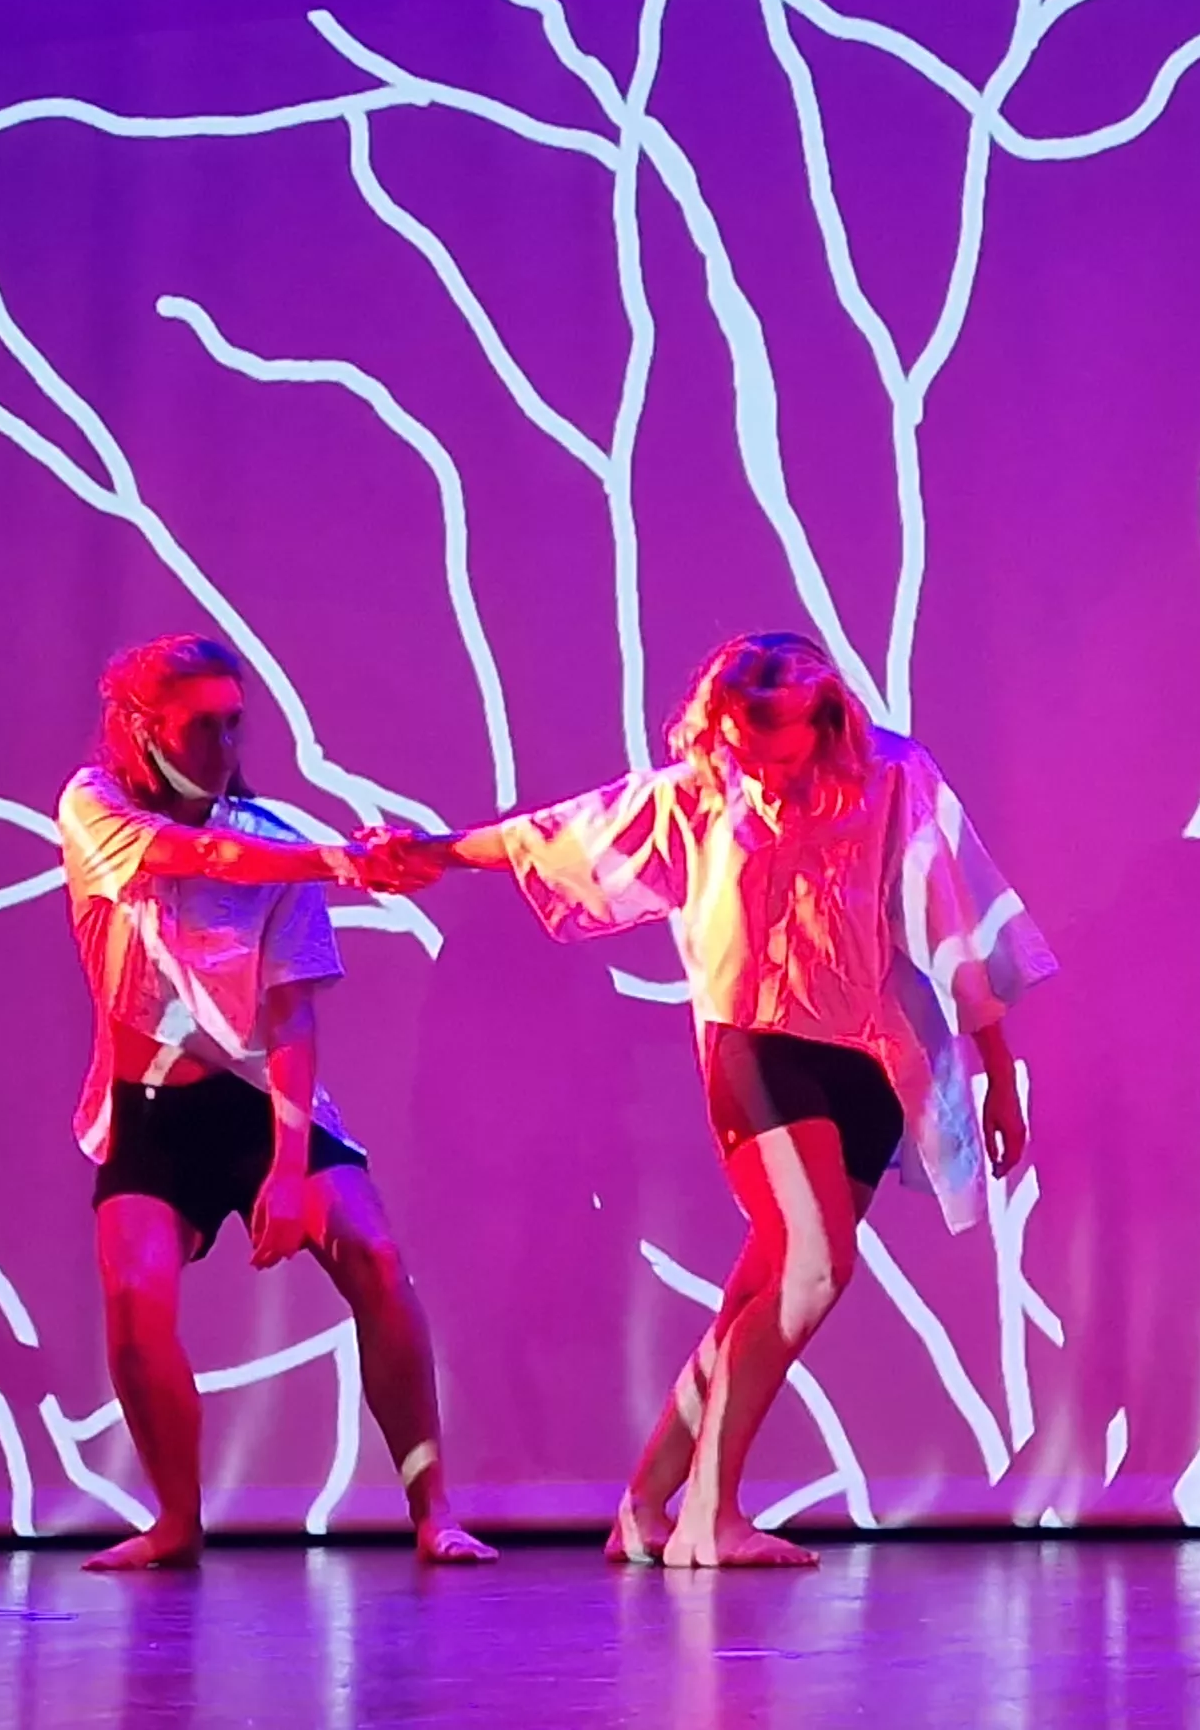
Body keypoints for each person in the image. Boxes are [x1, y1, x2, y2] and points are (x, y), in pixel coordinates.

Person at [381, 631, 1049, 1569]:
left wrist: (999, 1073)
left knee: (759, 1293)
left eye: (780, 754)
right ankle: (711, 1513)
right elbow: (563, 834)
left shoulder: (895, 778)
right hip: (757, 1045)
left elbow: (957, 920)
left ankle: (645, 1505)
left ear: (824, 721)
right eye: (745, 751)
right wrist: (433, 852)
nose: (764, 777)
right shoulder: (702, 791)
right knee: (813, 1272)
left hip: (866, 1058)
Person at [56, 634, 491, 1570]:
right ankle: (176, 1522)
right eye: (198, 726)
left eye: (233, 724)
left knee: (375, 1257)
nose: (222, 744)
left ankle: (434, 1511)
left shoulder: (279, 840)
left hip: (259, 1102)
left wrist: (289, 1171)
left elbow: (291, 1016)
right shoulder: (95, 808)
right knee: (134, 1298)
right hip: (149, 1112)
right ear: (142, 729)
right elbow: (205, 855)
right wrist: (344, 862)